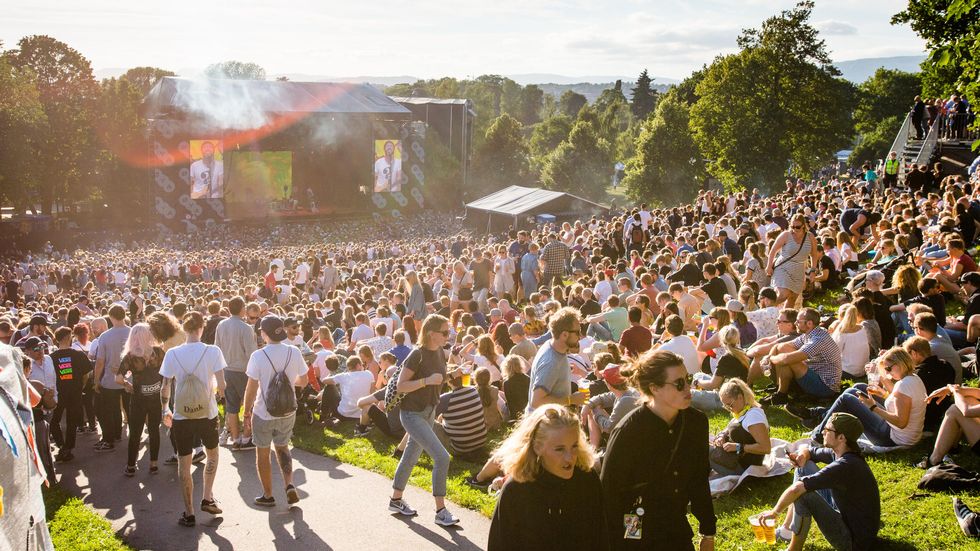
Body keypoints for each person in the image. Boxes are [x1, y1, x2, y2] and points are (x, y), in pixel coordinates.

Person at [600, 350, 716, 550]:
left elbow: (699, 478)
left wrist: (708, 531)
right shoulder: (629, 430)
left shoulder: (696, 422)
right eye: (679, 383)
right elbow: (609, 492)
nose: (688, 388)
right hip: (636, 524)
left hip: (675, 524)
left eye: (687, 379)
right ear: (654, 388)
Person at [487, 404, 608, 551]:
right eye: (559, 449)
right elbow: (499, 545)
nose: (570, 458)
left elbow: (602, 538)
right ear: (537, 447)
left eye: (574, 446)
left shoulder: (587, 480)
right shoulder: (517, 489)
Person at [761, 412, 880, 551]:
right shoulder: (842, 453)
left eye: (828, 429)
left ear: (841, 437)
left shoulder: (845, 466)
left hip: (853, 542)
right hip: (849, 519)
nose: (823, 431)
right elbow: (810, 451)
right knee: (804, 467)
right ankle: (787, 530)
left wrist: (774, 512)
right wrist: (802, 457)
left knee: (802, 495)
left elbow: (796, 489)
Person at [389, 314, 460, 526]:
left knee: (410, 456)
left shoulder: (439, 351)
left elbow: (438, 380)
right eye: (445, 332)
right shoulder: (416, 355)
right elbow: (402, 385)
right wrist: (426, 381)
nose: (449, 335)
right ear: (431, 333)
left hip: (429, 411)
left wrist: (452, 375)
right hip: (412, 414)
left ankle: (395, 500)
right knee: (442, 457)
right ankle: (440, 511)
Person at [159, 312, 226, 527]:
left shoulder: (172, 354)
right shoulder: (212, 351)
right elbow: (222, 386)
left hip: (181, 415)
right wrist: (215, 395)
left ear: (183, 329)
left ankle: (189, 512)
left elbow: (165, 386)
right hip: (207, 414)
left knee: (184, 463)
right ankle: (207, 497)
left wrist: (165, 410)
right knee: (212, 454)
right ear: (202, 328)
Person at [796, 347, 928, 448]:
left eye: (888, 369)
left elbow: (901, 422)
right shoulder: (914, 378)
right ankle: (821, 425)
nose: (887, 373)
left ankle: (817, 437)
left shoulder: (904, 385)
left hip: (892, 438)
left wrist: (873, 407)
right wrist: (883, 394)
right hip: (904, 434)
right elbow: (901, 400)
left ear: (900, 364)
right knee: (859, 387)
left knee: (847, 399)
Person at [244, 315, 309, 507]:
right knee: (282, 446)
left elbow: (251, 388)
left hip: (264, 412)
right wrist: (289, 383)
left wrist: (246, 413)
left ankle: (268, 494)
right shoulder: (294, 352)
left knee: (262, 453)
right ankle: (289, 484)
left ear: (264, 334)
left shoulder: (258, 356)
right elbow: (303, 381)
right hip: (288, 410)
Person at [763, 308, 841, 405]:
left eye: (798, 321)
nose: (795, 323)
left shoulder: (818, 339)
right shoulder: (811, 333)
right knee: (783, 349)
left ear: (809, 323)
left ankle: (781, 394)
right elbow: (781, 346)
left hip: (825, 387)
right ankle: (781, 392)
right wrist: (770, 355)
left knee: (789, 359)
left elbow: (786, 359)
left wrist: (771, 359)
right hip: (816, 376)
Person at [116, 323, 165, 476]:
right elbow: (167, 372)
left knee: (135, 432)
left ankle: (131, 466)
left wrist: (127, 385)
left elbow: (118, 378)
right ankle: (153, 465)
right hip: (155, 397)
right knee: (154, 430)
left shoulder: (130, 356)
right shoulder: (158, 352)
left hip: (138, 398)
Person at [214, 296, 258, 450]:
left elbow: (217, 347)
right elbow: (252, 353)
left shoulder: (221, 325)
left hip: (226, 369)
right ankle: (246, 437)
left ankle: (235, 438)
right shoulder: (246, 328)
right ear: (241, 309)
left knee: (231, 407)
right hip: (243, 371)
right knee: (249, 405)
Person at [527, 307, 588, 413]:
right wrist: (571, 399)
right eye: (577, 332)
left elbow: (575, 348)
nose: (580, 336)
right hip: (545, 426)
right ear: (564, 334)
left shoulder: (552, 344)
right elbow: (536, 402)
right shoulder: (551, 363)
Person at [709, 378, 770, 477]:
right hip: (732, 459)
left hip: (741, 467)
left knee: (702, 447)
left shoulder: (753, 416)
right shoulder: (743, 412)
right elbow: (730, 427)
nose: (729, 409)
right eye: (725, 406)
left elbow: (766, 448)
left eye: (730, 405)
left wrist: (738, 447)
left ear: (740, 397)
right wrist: (722, 435)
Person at [49, 326, 91, 463]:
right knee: (72, 421)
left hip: (59, 393)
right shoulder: (78, 355)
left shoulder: (51, 358)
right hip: (74, 392)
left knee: (54, 421)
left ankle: (62, 446)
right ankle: (67, 448)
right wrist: (81, 386)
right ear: (68, 338)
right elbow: (87, 374)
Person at [93, 305, 131, 452]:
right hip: (129, 379)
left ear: (111, 317)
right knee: (129, 409)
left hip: (110, 379)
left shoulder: (105, 336)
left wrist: (96, 380)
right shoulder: (133, 332)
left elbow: (100, 361)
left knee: (110, 409)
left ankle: (111, 438)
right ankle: (125, 435)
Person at [581, 365, 640, 449]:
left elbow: (609, 428)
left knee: (595, 408)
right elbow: (601, 398)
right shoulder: (625, 391)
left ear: (608, 384)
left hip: (630, 443)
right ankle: (594, 449)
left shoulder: (626, 400)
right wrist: (587, 405)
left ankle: (594, 449)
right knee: (594, 406)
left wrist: (596, 413)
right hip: (628, 436)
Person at [766, 214, 817, 307]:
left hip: (799, 270)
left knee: (792, 298)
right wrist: (769, 266)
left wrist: (813, 270)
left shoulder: (810, 237)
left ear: (803, 226)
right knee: (783, 295)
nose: (795, 229)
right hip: (783, 267)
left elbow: (814, 255)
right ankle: (766, 311)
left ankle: (785, 320)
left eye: (797, 227)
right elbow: (773, 250)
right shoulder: (786, 235)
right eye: (793, 226)